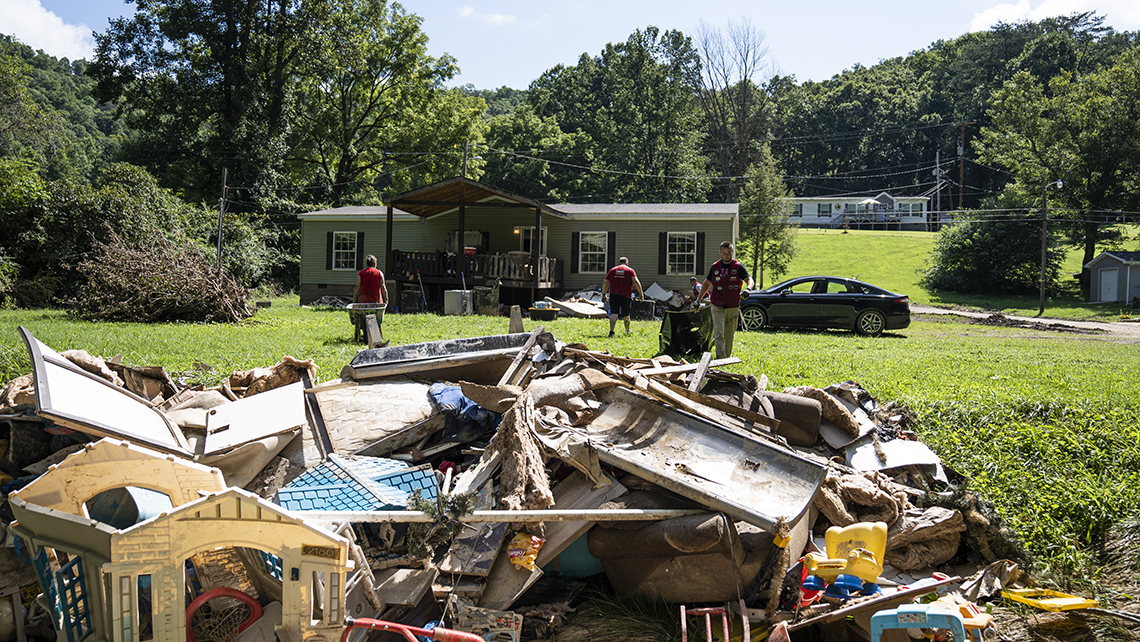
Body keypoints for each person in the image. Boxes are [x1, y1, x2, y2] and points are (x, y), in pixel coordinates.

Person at [697, 241, 754, 358]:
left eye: (729, 253)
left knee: (729, 334)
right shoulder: (715, 266)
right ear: (720, 253)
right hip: (717, 306)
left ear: (732, 252)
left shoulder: (738, 266)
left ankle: (727, 358)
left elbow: (749, 279)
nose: (726, 255)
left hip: (733, 306)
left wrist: (748, 289)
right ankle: (720, 358)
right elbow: (707, 283)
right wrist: (699, 299)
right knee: (719, 333)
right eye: (724, 253)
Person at [601, 257, 644, 337]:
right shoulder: (630, 270)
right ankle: (627, 331)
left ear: (619, 263)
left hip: (614, 294)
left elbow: (605, 282)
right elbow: (636, 281)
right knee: (626, 314)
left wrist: (604, 294)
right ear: (627, 263)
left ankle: (611, 331)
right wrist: (641, 294)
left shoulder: (612, 270)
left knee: (614, 313)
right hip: (626, 295)